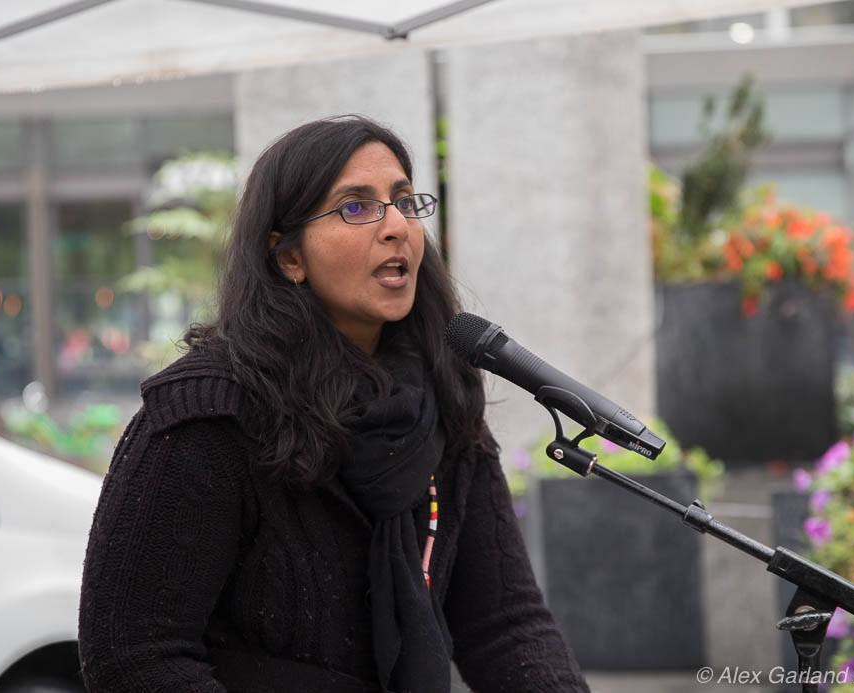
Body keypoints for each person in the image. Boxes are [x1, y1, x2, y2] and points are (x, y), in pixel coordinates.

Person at [78, 115, 589, 693]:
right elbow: (134, 657)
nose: (396, 226)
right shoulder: (206, 417)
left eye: (404, 202)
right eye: (356, 207)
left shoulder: (441, 398)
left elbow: (506, 627)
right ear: (288, 257)